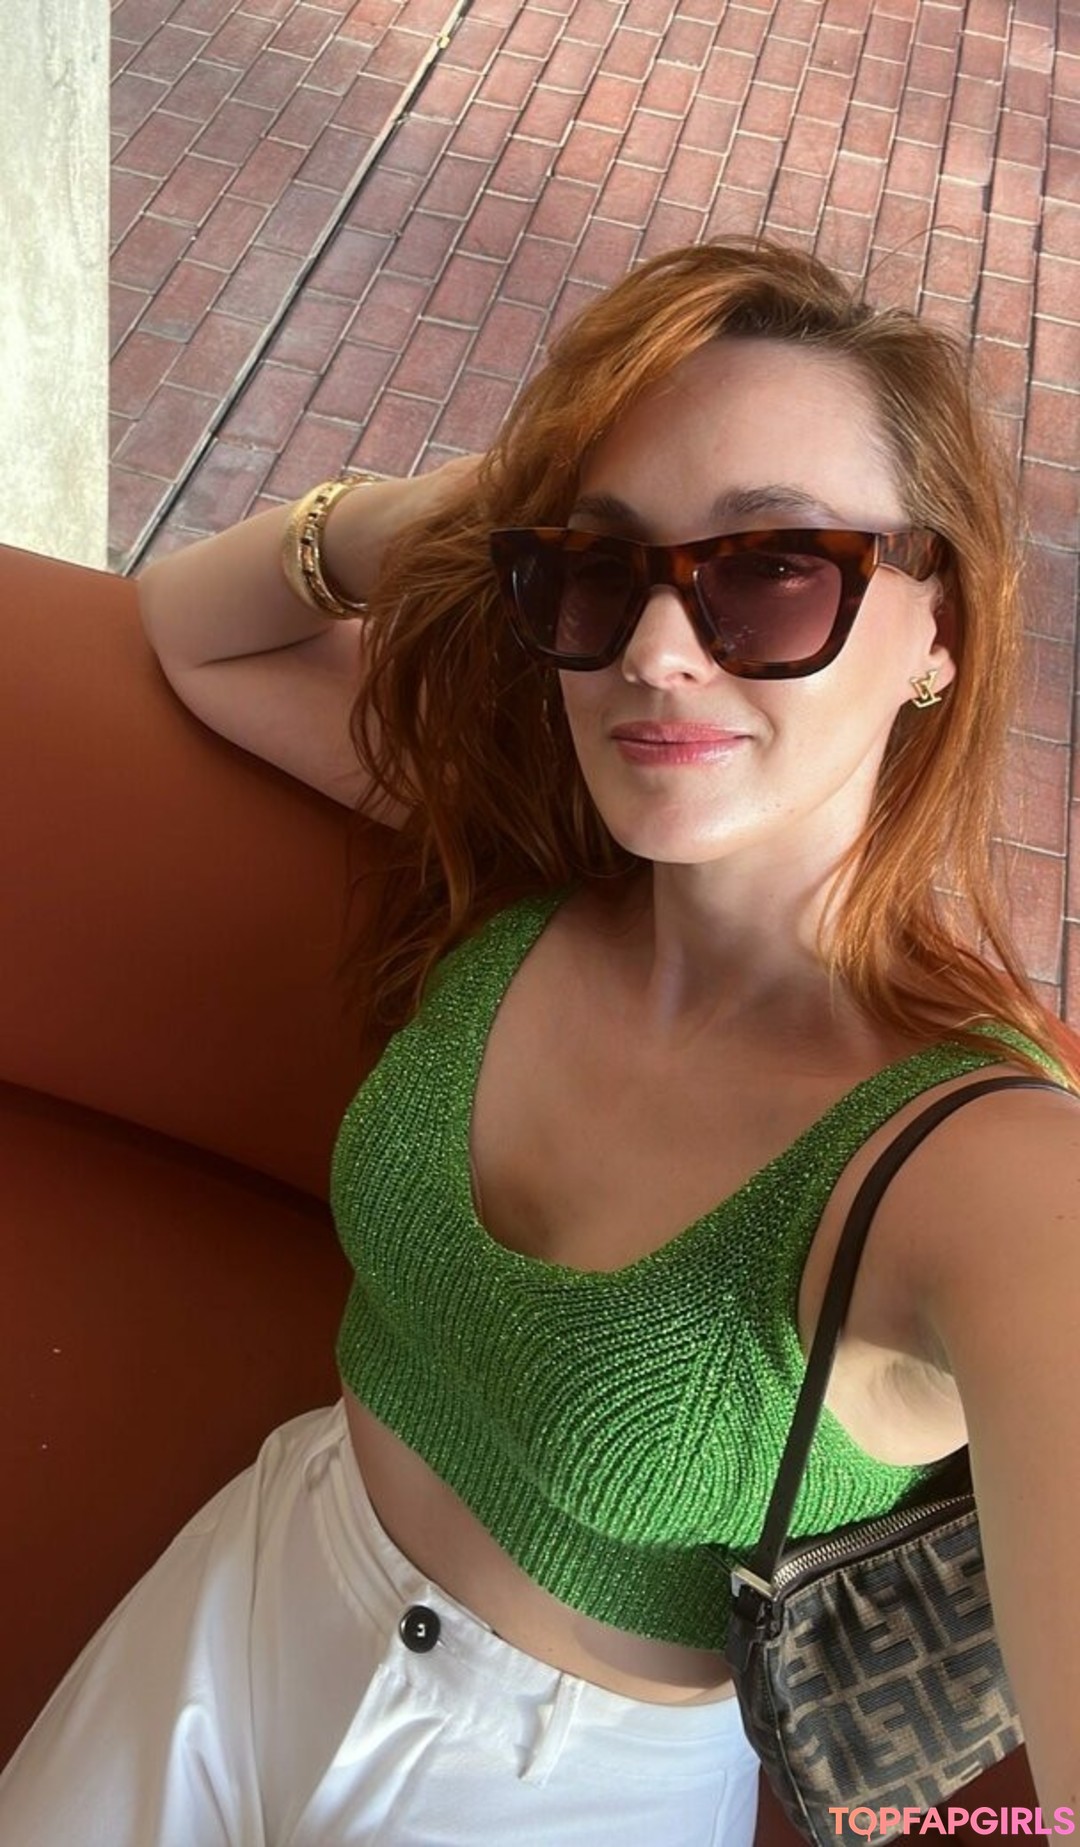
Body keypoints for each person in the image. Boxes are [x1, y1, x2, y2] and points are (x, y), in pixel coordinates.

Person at [2, 238, 1079, 1846]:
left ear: (944, 628)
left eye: (771, 571)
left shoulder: (981, 1167)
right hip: (248, 1595)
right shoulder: (540, 868)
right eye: (601, 567)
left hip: (565, 1791)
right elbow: (194, 633)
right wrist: (442, 515)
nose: (656, 649)